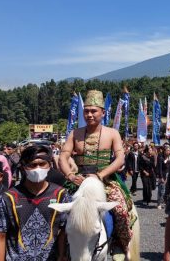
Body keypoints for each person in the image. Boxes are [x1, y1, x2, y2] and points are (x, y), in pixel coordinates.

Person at [58, 90, 135, 259]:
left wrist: (100, 175)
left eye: (94, 111)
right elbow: (63, 157)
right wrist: (70, 176)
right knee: (57, 209)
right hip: (77, 182)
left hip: (106, 181)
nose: (89, 114)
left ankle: (120, 245)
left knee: (121, 209)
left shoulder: (113, 133)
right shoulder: (74, 133)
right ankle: (59, 249)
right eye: (86, 111)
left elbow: (120, 158)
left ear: (103, 112)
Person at [0, 145, 70, 261]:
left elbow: (65, 230)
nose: (38, 168)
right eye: (32, 165)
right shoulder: (8, 198)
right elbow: (0, 235)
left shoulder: (61, 195)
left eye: (42, 164)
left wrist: (62, 255)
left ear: (49, 165)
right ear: (23, 168)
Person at [157, 143, 170, 209]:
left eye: (169, 150)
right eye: (167, 150)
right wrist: (161, 177)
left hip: (169, 174)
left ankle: (166, 202)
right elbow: (159, 168)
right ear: (164, 151)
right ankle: (159, 203)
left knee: (168, 190)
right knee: (161, 190)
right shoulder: (160, 157)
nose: (168, 151)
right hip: (162, 175)